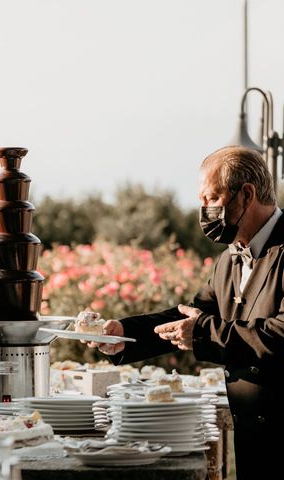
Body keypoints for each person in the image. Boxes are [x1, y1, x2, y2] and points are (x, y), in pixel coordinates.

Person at [92, 145, 283, 479]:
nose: (203, 209)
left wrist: (203, 333)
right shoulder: (229, 260)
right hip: (253, 440)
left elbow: (279, 335)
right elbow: (192, 316)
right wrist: (123, 334)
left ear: (247, 194)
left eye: (211, 198)